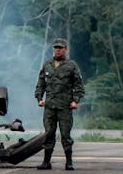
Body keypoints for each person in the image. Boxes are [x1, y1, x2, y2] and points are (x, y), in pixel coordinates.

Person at [34, 38, 84, 171]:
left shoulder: (71, 66)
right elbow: (40, 84)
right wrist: (39, 98)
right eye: (56, 47)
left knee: (65, 135)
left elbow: (79, 86)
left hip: (65, 107)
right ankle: (46, 162)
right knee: (48, 134)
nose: (58, 50)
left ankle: (69, 162)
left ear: (65, 49)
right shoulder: (47, 65)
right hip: (49, 106)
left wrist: (75, 100)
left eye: (60, 48)